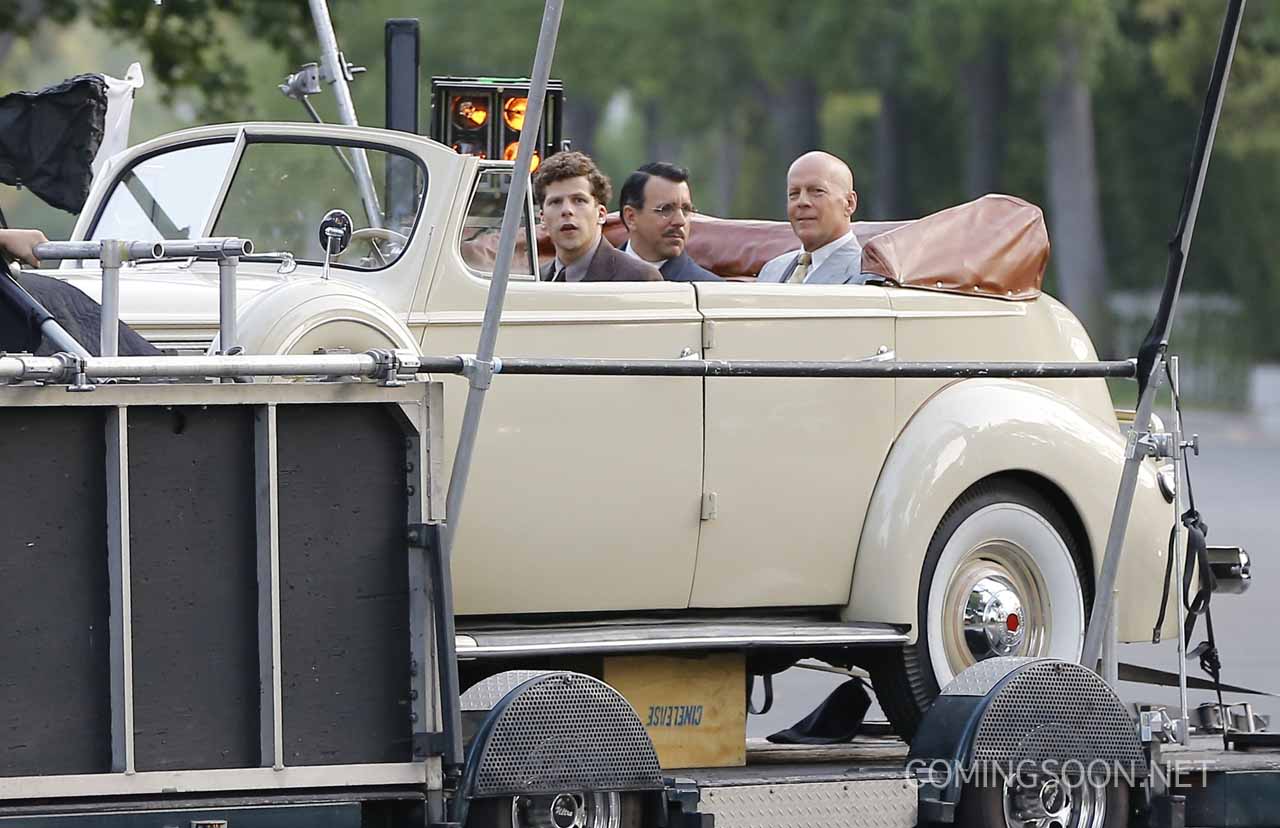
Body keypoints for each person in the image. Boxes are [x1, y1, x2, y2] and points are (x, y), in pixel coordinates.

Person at [533, 151, 661, 283]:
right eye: (555, 202)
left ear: (601, 214)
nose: (567, 210)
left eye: (579, 200)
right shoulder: (535, 280)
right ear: (542, 218)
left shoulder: (640, 278)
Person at [757, 151, 863, 285]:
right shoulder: (771, 270)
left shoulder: (865, 275)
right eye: (794, 194)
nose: (802, 202)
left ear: (849, 203)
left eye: (817, 191)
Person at [618, 162, 720, 282]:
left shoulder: (709, 290)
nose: (680, 221)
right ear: (631, 217)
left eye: (686, 209)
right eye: (666, 209)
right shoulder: (595, 277)